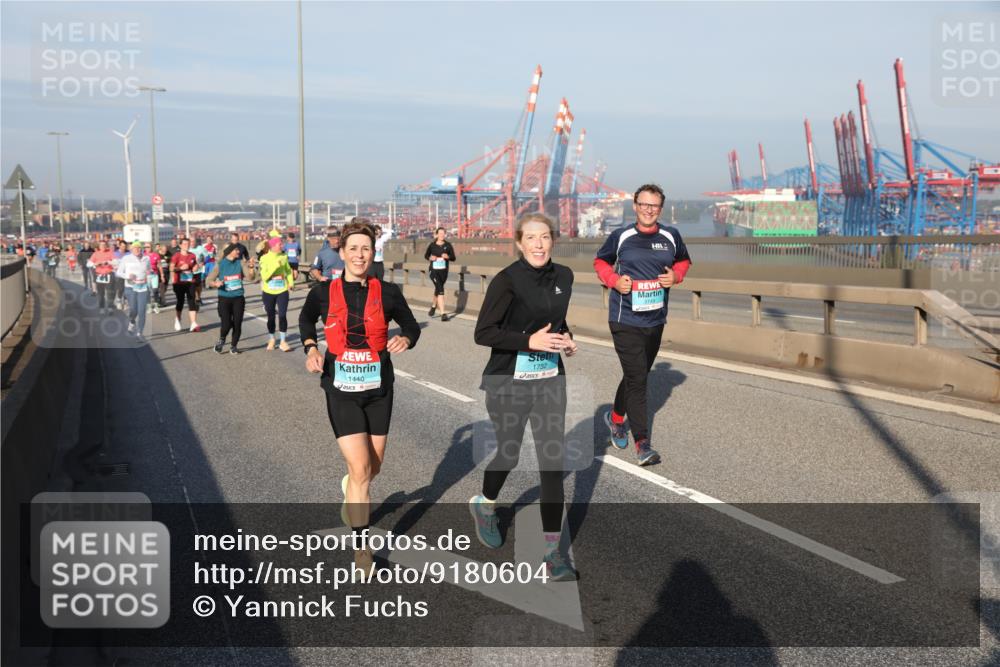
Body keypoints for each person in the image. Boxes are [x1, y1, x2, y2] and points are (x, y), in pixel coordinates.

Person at [298, 221, 420, 575]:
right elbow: (306, 321)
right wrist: (310, 349)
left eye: (365, 248)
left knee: (373, 467)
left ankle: (351, 486)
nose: (359, 255)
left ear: (373, 252)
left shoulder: (389, 292)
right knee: (361, 469)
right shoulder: (323, 292)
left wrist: (407, 339)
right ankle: (362, 545)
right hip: (341, 389)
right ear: (342, 252)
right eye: (353, 248)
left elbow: (410, 325)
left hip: (379, 388)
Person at [468, 213, 579, 581]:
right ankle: (485, 504)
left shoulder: (565, 277)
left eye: (545, 237)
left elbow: (555, 319)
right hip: (507, 381)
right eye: (531, 237)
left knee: (552, 462)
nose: (538, 244)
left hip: (549, 380)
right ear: (518, 242)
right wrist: (527, 341)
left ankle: (552, 553)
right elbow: (483, 333)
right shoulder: (506, 281)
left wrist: (566, 338)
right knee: (510, 452)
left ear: (553, 240)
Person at [593, 183, 692, 466]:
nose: (649, 210)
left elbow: (684, 261)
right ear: (635, 206)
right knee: (639, 379)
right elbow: (600, 261)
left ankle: (614, 418)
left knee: (636, 374)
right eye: (644, 204)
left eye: (654, 206)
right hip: (625, 319)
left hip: (656, 318)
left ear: (660, 209)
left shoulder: (671, 235)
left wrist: (676, 276)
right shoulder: (621, 236)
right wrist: (614, 280)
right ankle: (643, 443)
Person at [207, 243, 255, 354]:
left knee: (237, 323)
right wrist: (215, 283)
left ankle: (234, 346)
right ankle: (222, 340)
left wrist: (251, 268)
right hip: (224, 298)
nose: (239, 252)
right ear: (230, 251)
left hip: (238, 298)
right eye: (236, 250)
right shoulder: (221, 264)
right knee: (226, 324)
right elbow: (208, 280)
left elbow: (250, 277)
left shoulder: (241, 263)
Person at [259, 235, 295, 351]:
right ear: (273, 246)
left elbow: (288, 271)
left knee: (283, 315)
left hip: (282, 290)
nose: (282, 246)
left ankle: (283, 342)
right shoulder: (264, 258)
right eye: (280, 244)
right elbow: (265, 277)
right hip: (268, 292)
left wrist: (291, 282)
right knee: (271, 316)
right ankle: (272, 339)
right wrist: (276, 265)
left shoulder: (284, 256)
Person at [119, 241, 153, 339]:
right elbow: (119, 272)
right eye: (135, 248)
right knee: (133, 309)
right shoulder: (126, 258)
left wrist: (149, 278)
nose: (137, 249)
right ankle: (132, 322)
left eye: (139, 248)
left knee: (142, 310)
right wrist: (128, 276)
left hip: (142, 287)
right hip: (130, 287)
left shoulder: (146, 258)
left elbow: (149, 270)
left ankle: (140, 333)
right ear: (131, 249)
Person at [169, 237, 202, 332]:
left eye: (188, 244)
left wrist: (195, 267)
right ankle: (178, 319)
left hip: (190, 281)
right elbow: (171, 268)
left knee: (192, 301)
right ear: (180, 245)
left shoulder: (192, 255)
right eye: (184, 244)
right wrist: (180, 268)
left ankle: (193, 323)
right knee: (180, 301)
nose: (186, 246)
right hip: (179, 283)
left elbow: (194, 265)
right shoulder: (176, 256)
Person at [424, 227, 456, 321]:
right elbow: (426, 256)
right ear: (437, 234)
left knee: (438, 289)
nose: (442, 235)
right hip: (433, 271)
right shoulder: (432, 245)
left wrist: (448, 256)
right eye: (440, 233)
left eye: (443, 233)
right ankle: (443, 314)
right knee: (441, 290)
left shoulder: (448, 245)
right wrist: (430, 258)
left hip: (443, 272)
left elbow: (453, 258)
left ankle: (434, 306)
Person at [88, 240, 116, 314]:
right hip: (99, 275)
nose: (103, 246)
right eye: (101, 245)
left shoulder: (110, 252)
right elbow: (89, 264)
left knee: (110, 292)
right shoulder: (96, 253)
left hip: (108, 274)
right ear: (99, 246)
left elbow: (116, 262)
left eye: (104, 245)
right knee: (101, 293)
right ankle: (102, 307)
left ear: (106, 245)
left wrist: (108, 262)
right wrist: (95, 264)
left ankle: (110, 307)